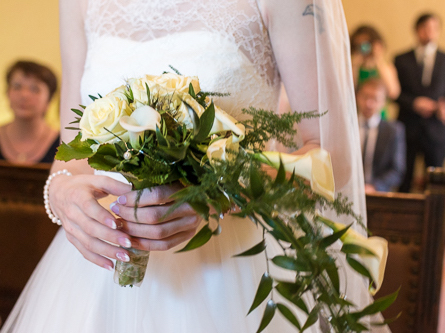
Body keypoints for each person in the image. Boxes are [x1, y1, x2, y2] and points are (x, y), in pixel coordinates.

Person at [1, 0, 387, 332]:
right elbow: (72, 152)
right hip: (95, 269)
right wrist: (64, 194)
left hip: (234, 273)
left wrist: (213, 193)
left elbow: (332, 158)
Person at [395, 13, 445, 192]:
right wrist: (414, 103)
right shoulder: (401, 59)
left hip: (436, 129)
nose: (429, 32)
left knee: (436, 183)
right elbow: (395, 94)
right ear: (417, 30)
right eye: (425, 27)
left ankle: (434, 219)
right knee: (404, 179)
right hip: (409, 128)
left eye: (434, 28)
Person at [0, 61, 59, 164]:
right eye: (17, 86)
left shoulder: (64, 144)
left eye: (34, 89)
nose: (24, 95)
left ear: (49, 99)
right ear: (7, 92)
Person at [357, 78, 406, 193]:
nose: (369, 103)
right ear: (358, 97)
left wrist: (374, 187)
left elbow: (397, 170)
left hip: (378, 193)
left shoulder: (393, 131)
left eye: (375, 99)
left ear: (383, 102)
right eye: (365, 97)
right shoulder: (347, 126)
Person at [350, 25, 400, 101]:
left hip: (379, 111)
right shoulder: (353, 67)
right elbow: (349, 91)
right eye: (358, 45)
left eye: (366, 44)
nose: (363, 48)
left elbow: (393, 92)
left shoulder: (385, 67)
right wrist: (355, 65)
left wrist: (378, 59)